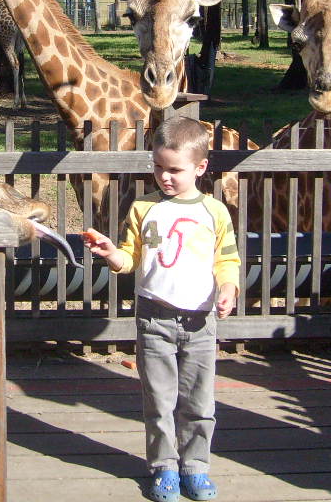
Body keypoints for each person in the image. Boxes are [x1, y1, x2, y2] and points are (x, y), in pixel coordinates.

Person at [84, 115, 240, 502]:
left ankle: (195, 466)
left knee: (199, 401)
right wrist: (112, 255)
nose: (164, 176)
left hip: (200, 322)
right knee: (159, 399)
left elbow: (228, 260)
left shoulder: (214, 212)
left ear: (200, 168)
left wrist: (229, 287)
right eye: (158, 167)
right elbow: (131, 260)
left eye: (175, 170)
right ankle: (164, 467)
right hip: (154, 318)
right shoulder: (143, 209)